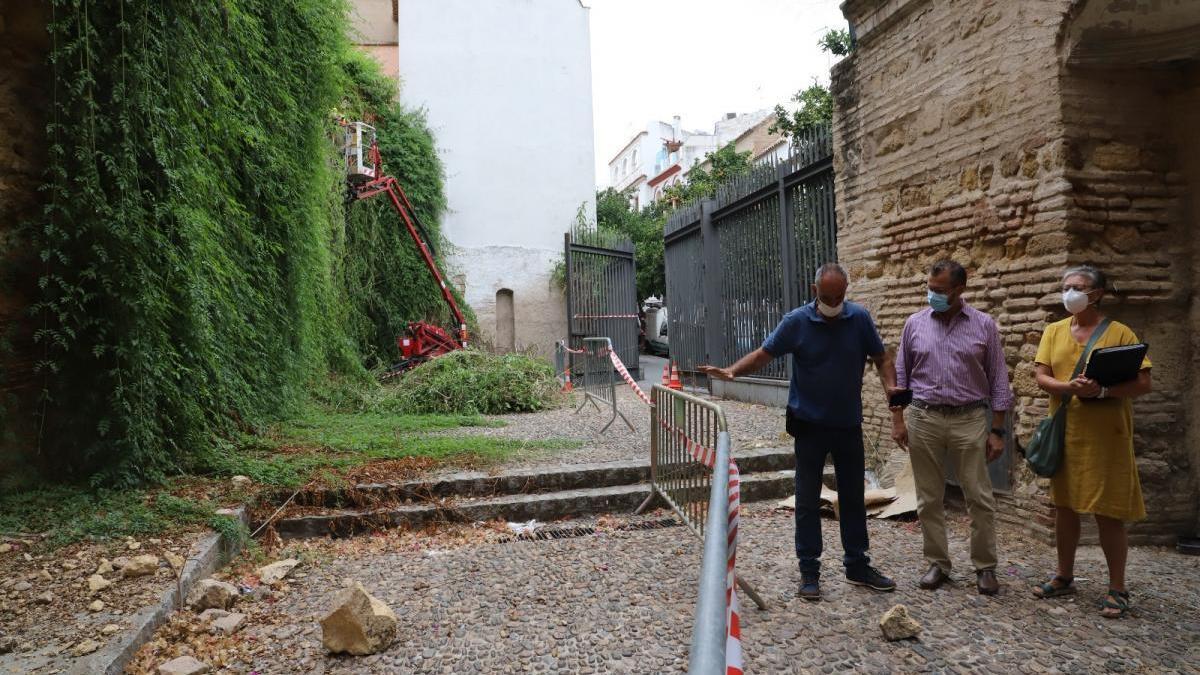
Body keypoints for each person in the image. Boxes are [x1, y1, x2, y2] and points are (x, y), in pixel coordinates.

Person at [700, 263, 897, 601]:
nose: (833, 304)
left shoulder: (859, 319)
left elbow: (881, 357)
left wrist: (891, 388)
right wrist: (732, 372)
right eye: (826, 297)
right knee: (807, 500)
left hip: (848, 423)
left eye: (839, 297)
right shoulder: (797, 321)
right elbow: (765, 353)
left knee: (853, 498)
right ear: (813, 291)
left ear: (846, 292)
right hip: (809, 425)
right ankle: (809, 571)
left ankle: (857, 565)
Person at [1030, 265, 1151, 619]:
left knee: (1108, 511)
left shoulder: (1120, 333)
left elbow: (1143, 383)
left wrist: (1103, 391)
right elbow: (1040, 375)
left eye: (1078, 287)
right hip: (1067, 431)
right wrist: (1068, 388)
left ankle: (1118, 586)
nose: (1070, 293)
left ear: (1096, 294)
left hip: (1107, 435)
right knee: (1064, 507)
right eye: (1066, 286)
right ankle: (1064, 575)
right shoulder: (1053, 331)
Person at [890, 260, 1011, 595]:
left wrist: (998, 430)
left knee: (979, 496)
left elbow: (999, 379)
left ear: (960, 290)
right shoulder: (914, 323)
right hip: (924, 417)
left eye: (940, 291)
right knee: (929, 498)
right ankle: (937, 563)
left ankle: (985, 567)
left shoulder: (983, 325)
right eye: (930, 288)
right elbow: (901, 377)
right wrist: (898, 420)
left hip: (969, 418)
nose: (932, 295)